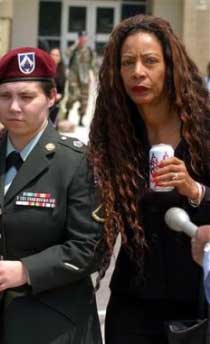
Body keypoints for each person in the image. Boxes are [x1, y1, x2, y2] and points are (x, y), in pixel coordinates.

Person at [0, 47, 103, 344]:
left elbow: (90, 248)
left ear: (51, 98)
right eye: (4, 96)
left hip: (53, 324)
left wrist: (25, 271)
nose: (14, 107)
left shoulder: (76, 162)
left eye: (27, 97)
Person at [87, 15, 210, 344]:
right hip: (133, 302)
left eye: (150, 61)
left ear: (170, 66)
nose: (137, 72)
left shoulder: (205, 125)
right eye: (127, 63)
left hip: (199, 297)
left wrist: (195, 190)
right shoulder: (113, 133)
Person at [64, 31, 96, 126]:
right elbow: (66, 53)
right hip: (74, 78)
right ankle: (67, 112)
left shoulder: (89, 51)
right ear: (79, 38)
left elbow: (93, 65)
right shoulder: (74, 49)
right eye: (81, 37)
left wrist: (95, 76)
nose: (83, 39)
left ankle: (81, 119)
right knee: (73, 96)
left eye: (84, 37)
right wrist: (75, 45)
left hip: (85, 79)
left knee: (84, 100)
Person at [49, 47, 66, 124]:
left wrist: (59, 96)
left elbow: (62, 91)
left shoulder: (62, 72)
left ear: (60, 58)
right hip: (45, 99)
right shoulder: (45, 69)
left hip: (55, 101)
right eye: (53, 54)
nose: (54, 57)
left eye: (57, 55)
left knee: (53, 122)